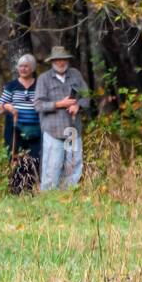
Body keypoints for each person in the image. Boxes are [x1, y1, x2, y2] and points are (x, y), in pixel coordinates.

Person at [33, 45, 90, 190]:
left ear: (68, 60)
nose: (61, 63)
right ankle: (48, 201)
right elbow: (38, 105)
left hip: (73, 129)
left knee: (74, 165)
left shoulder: (75, 74)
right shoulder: (44, 79)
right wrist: (59, 104)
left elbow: (87, 96)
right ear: (52, 61)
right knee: (52, 167)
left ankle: (68, 198)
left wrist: (78, 106)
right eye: (57, 60)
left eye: (63, 59)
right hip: (53, 131)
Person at [0, 53, 41, 194]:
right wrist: (6, 106)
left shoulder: (40, 85)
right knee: (15, 157)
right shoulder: (12, 86)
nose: (23, 69)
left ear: (32, 68)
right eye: (20, 66)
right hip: (15, 128)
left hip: (36, 129)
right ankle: (17, 189)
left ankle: (31, 188)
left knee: (35, 158)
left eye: (26, 66)